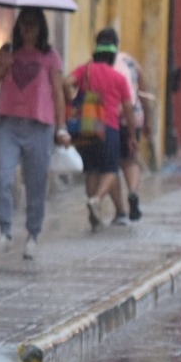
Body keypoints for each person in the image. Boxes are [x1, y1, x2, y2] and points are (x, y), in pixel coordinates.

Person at [0, 7, 71, 260]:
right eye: (24, 24)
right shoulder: (7, 52)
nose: (27, 29)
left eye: (32, 25)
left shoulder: (49, 56)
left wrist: (61, 127)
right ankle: (5, 233)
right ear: (18, 27)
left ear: (40, 28)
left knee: (36, 184)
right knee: (3, 178)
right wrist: (3, 67)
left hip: (39, 127)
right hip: (9, 124)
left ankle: (33, 234)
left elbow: (57, 92)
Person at [65, 28, 136, 231]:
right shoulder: (118, 78)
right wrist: (131, 135)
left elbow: (66, 82)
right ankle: (96, 200)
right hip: (110, 127)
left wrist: (70, 100)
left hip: (88, 126)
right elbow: (129, 110)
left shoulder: (85, 71)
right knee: (111, 170)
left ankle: (93, 216)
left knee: (92, 171)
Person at [112, 46, 151, 224]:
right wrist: (148, 121)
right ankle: (133, 191)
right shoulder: (131, 62)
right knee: (130, 160)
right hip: (134, 117)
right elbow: (143, 94)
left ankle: (120, 211)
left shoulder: (98, 62)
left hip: (110, 119)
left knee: (110, 166)